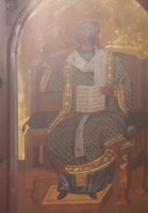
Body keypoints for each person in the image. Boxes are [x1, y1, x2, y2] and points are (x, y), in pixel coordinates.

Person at [44, 19, 132, 200]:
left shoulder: (110, 59)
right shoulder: (68, 61)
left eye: (90, 28)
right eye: (82, 28)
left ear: (97, 32)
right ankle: (68, 184)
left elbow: (125, 84)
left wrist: (114, 90)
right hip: (73, 113)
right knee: (59, 134)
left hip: (107, 111)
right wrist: (51, 68)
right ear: (77, 33)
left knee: (101, 129)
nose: (86, 32)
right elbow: (52, 88)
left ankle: (96, 184)